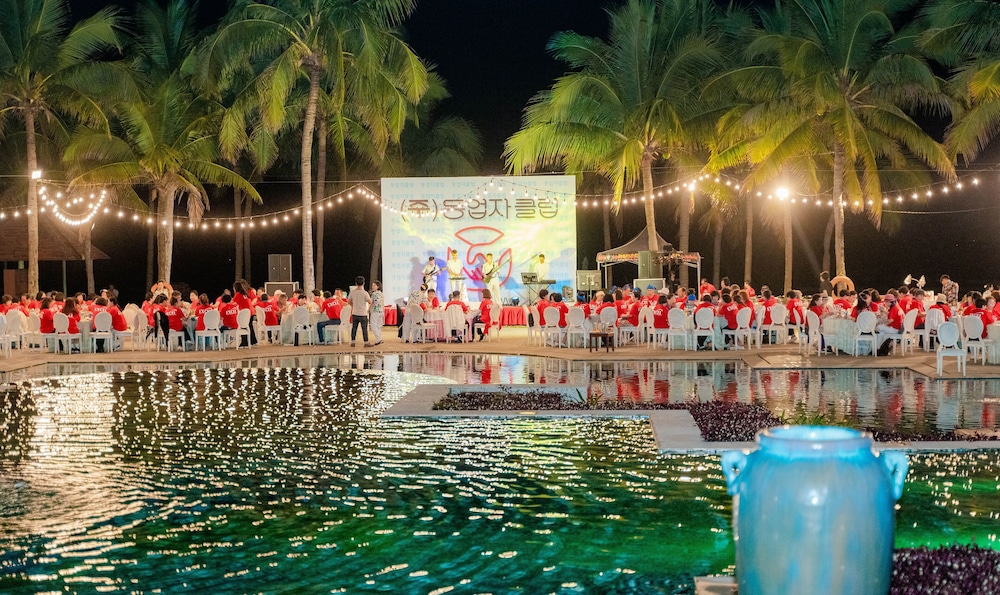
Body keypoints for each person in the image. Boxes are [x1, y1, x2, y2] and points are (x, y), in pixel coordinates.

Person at [347, 276, 373, 347]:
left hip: (355, 313)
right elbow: (370, 301)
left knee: (354, 328)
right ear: (363, 283)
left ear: (356, 283)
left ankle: (353, 342)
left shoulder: (352, 292)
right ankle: (366, 342)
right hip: (363, 313)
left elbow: (348, 301)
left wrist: (353, 305)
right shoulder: (365, 293)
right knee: (364, 328)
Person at [370, 280, 384, 346]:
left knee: (373, 325)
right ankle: (379, 338)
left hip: (375, 311)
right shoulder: (381, 293)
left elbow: (372, 302)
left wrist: (368, 309)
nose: (372, 287)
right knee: (378, 326)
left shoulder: (374, 294)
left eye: (374, 285)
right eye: (372, 285)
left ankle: (378, 339)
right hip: (381, 311)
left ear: (378, 286)